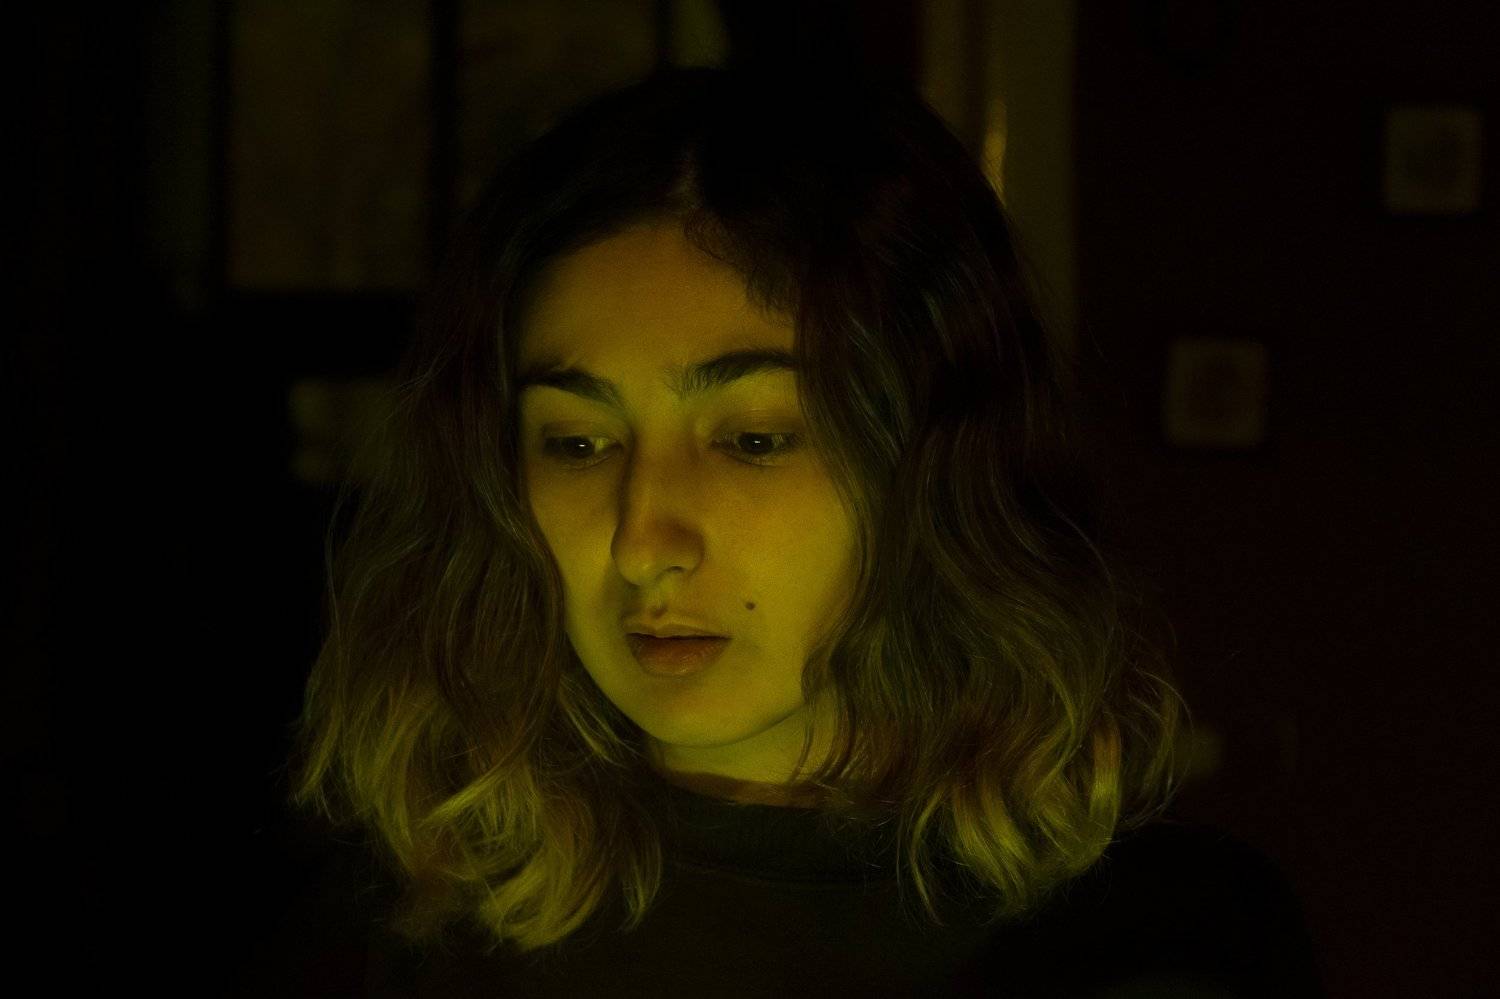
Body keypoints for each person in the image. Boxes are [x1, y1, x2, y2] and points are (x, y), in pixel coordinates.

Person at [235, 63, 1326, 996]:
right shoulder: (392, 932)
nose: (643, 542)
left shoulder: (1150, 941)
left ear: (923, 461)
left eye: (753, 439)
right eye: (578, 442)